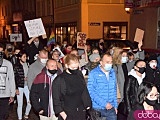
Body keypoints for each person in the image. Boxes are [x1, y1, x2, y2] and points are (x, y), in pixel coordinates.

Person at [52, 54, 92, 120]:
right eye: (73, 68)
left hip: (81, 111)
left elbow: (84, 91)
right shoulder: (59, 79)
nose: (75, 70)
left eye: (77, 67)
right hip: (67, 112)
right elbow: (56, 99)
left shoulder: (79, 74)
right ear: (66, 65)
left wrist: (88, 106)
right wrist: (63, 115)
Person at [87, 53, 117, 120]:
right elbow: (91, 91)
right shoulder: (94, 73)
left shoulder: (112, 73)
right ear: (101, 62)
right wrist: (104, 103)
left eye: (111, 62)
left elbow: (114, 90)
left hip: (111, 108)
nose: (110, 64)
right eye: (107, 62)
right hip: (98, 108)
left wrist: (115, 106)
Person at [14, 51, 31, 120]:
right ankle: (20, 118)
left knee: (30, 101)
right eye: (24, 57)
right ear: (19, 58)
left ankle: (26, 114)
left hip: (27, 85)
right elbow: (14, 77)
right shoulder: (16, 66)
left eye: (26, 57)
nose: (25, 58)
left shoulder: (27, 64)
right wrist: (15, 88)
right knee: (20, 104)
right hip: (20, 86)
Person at [0, 43, 16, 120]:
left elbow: (11, 79)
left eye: (2, 52)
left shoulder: (8, 64)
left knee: (4, 115)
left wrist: (12, 94)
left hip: (5, 95)